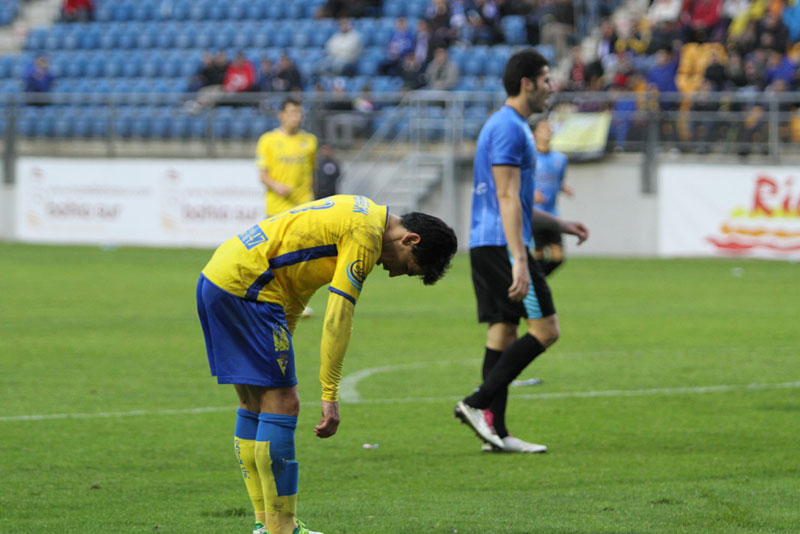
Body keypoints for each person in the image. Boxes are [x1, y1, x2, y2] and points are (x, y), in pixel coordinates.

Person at [196, 195, 458, 534]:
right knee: (285, 404)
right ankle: (283, 528)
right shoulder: (366, 233)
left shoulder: (359, 211)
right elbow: (339, 315)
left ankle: (265, 525)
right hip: (250, 287)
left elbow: (297, 281)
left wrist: (284, 336)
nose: (393, 273)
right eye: (408, 266)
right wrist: (330, 392)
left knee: (255, 404)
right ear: (410, 239)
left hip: (220, 276)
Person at [454, 48, 589, 454]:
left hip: (488, 241)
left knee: (502, 332)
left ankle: (496, 433)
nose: (551, 87)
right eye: (547, 80)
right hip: (502, 244)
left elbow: (518, 201)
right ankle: (475, 404)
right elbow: (507, 197)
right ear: (527, 83)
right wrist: (519, 259)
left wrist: (559, 223)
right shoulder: (511, 128)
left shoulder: (506, 126)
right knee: (546, 330)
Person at [256, 97, 319, 318]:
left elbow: (311, 173)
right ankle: (273, 299)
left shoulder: (309, 141)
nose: (296, 117)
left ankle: (296, 302)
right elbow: (262, 174)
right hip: (276, 207)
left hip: (302, 208)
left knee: (301, 258)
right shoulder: (268, 140)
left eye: (299, 112)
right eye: (292, 112)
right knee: (276, 257)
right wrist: (277, 185)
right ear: (281, 114)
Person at [531, 117, 573, 276]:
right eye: (544, 128)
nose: (548, 131)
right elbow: (518, 183)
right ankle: (535, 286)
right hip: (534, 215)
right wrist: (530, 194)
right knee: (538, 256)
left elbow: (558, 181)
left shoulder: (560, 159)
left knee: (558, 257)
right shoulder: (529, 157)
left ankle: (535, 283)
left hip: (552, 214)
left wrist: (564, 189)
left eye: (549, 128)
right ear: (535, 133)